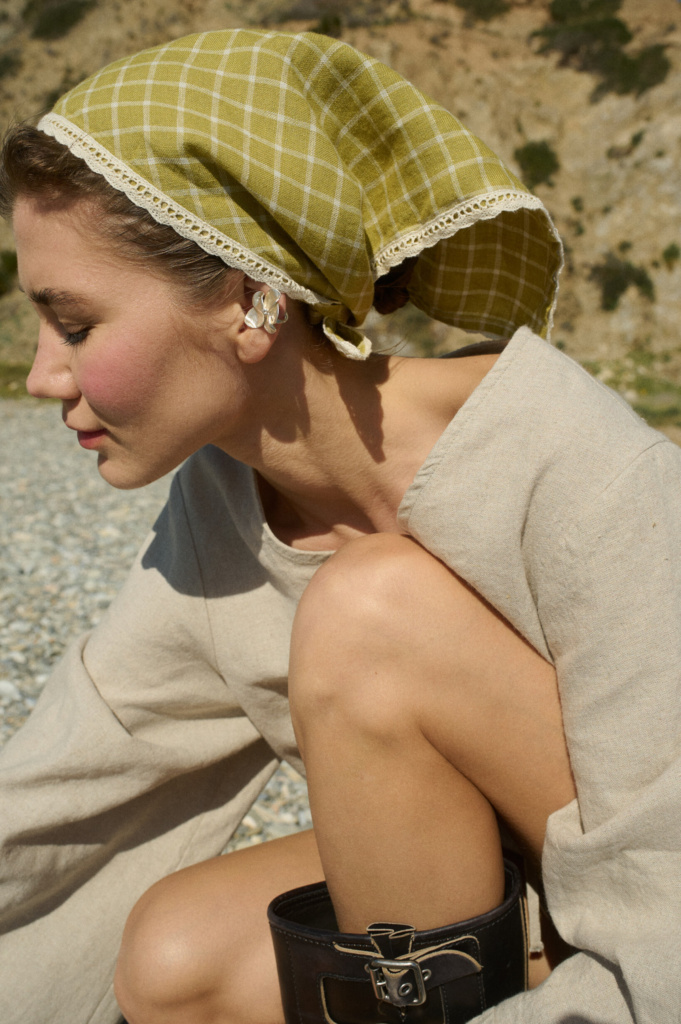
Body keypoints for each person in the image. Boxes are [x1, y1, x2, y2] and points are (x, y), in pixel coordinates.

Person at [0, 26, 679, 1024]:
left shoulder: (579, 470)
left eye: (78, 326)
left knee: (369, 609)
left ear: (246, 298)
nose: (41, 377)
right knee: (177, 959)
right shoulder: (224, 502)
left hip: (649, 898)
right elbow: (77, 771)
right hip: (510, 903)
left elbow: (665, 871)